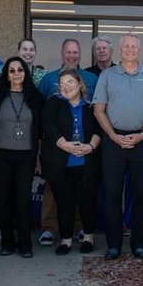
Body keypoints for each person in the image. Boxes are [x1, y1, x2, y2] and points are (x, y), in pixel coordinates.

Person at [92, 33, 143, 259]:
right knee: (112, 193)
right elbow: (98, 110)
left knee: (142, 193)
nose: (130, 49)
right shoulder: (107, 75)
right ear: (120, 50)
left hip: (141, 141)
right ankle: (113, 244)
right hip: (113, 142)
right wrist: (113, 136)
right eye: (126, 46)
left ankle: (139, 243)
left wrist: (142, 134)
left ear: (139, 50)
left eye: (134, 46)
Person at [36, 38, 98, 246]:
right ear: (62, 54)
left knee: (85, 199)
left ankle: (84, 233)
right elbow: (46, 120)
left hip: (85, 160)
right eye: (68, 52)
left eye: (75, 52)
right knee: (59, 198)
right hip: (59, 156)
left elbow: (99, 126)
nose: (71, 56)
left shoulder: (90, 89)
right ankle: (54, 231)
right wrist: (64, 144)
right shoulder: (49, 83)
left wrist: (90, 146)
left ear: (80, 84)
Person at [0, 57, 43, 257]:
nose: (16, 73)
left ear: (25, 73)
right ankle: (8, 242)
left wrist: (37, 157)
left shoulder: (34, 98)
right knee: (3, 199)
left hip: (26, 155)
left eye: (20, 70)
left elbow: (39, 132)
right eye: (12, 70)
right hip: (2, 154)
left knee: (23, 199)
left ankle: (25, 243)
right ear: (6, 74)